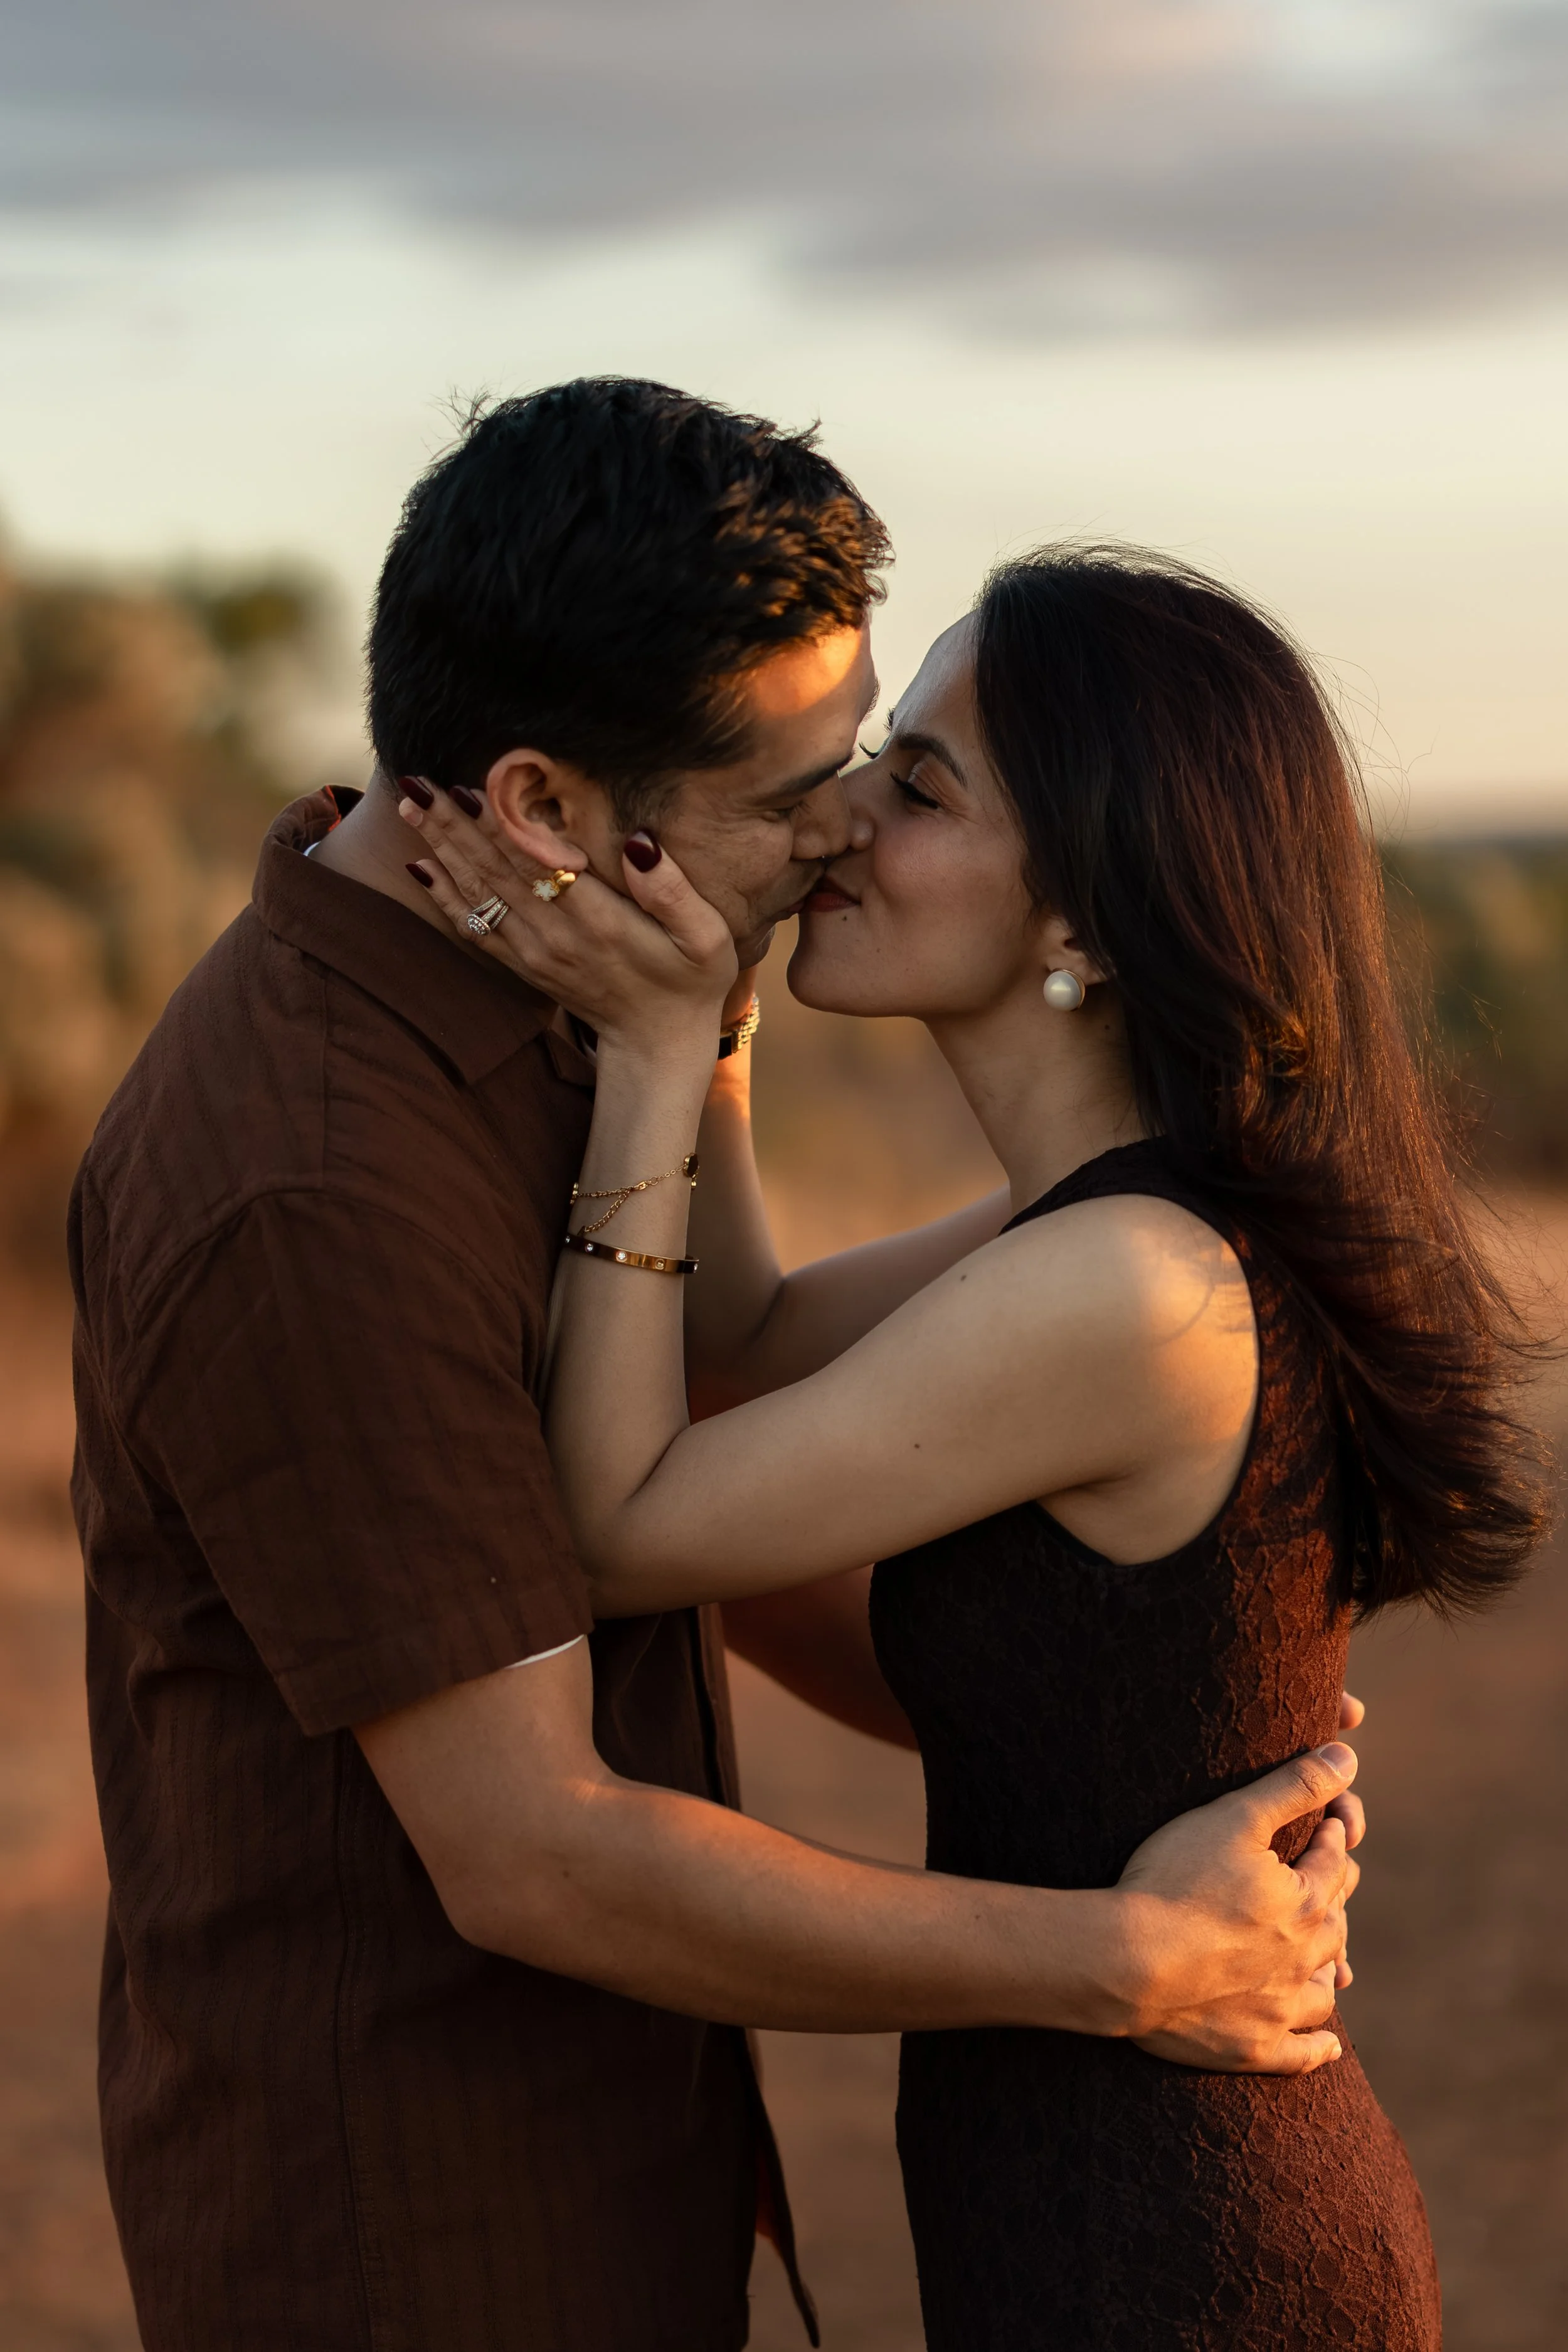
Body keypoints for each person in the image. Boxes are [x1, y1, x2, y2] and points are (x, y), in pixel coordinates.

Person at [72, 383, 1363, 2352]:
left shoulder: (552, 1004)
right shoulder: (314, 1190)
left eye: (883, 771)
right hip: (420, 2239)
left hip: (631, 2161)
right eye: (799, 794)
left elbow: (730, 1390)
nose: (841, 830)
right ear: (539, 809)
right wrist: (1128, 1955)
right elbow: (533, 1850)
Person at [403, 536, 1546, 2349]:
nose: (841, 816)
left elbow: (616, 1519)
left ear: (1089, 911)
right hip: (1106, 2187)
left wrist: (637, 1056)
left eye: (918, 785)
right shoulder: (1111, 1226)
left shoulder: (1130, 1285)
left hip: (1181, 2243)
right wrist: (711, 1026)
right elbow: (754, 1347)